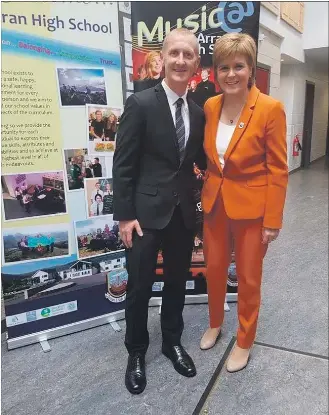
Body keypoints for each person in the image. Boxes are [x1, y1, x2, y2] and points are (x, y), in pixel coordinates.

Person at [113, 28, 206, 395]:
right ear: (163, 59)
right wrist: (124, 216)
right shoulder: (141, 103)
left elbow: (199, 160)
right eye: (175, 54)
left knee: (176, 285)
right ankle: (137, 351)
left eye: (188, 55)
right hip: (142, 217)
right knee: (137, 288)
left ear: (196, 63)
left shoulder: (197, 113)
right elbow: (123, 164)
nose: (181, 60)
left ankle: (171, 342)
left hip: (183, 215)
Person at [200, 33, 288, 373]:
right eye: (224, 67)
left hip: (253, 209)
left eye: (239, 66)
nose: (231, 74)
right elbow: (213, 160)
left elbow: (278, 168)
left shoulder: (269, 109)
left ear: (251, 69)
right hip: (215, 204)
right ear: (215, 72)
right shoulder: (211, 106)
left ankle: (245, 339)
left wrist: (273, 220)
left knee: (249, 278)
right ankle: (215, 322)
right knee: (215, 270)